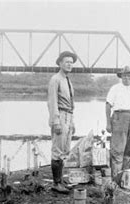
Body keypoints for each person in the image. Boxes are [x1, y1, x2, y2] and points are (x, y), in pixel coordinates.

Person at [47, 51, 77, 194]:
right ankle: (56, 183)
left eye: (71, 62)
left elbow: (70, 103)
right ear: (60, 63)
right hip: (60, 115)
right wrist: (56, 121)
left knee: (65, 150)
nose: (69, 64)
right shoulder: (56, 79)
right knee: (57, 151)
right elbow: (52, 102)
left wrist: (72, 122)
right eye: (67, 62)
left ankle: (60, 180)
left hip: (68, 116)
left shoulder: (67, 80)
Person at [106, 66, 130, 182]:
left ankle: (124, 177)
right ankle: (115, 178)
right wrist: (108, 123)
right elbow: (108, 105)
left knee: (128, 149)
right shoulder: (115, 88)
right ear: (121, 76)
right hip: (119, 117)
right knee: (118, 150)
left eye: (129, 75)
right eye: (124, 75)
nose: (127, 77)